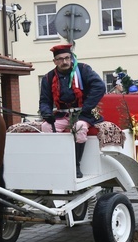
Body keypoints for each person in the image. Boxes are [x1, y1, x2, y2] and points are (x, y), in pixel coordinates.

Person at [39, 44, 106, 178]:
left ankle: (76, 165)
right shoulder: (48, 77)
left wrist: (86, 108)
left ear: (71, 58)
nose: (64, 62)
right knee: (45, 127)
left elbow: (99, 87)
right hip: (62, 114)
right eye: (60, 59)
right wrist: (46, 113)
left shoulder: (83, 69)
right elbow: (44, 101)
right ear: (55, 61)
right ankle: (59, 163)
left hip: (84, 113)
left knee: (79, 127)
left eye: (67, 58)